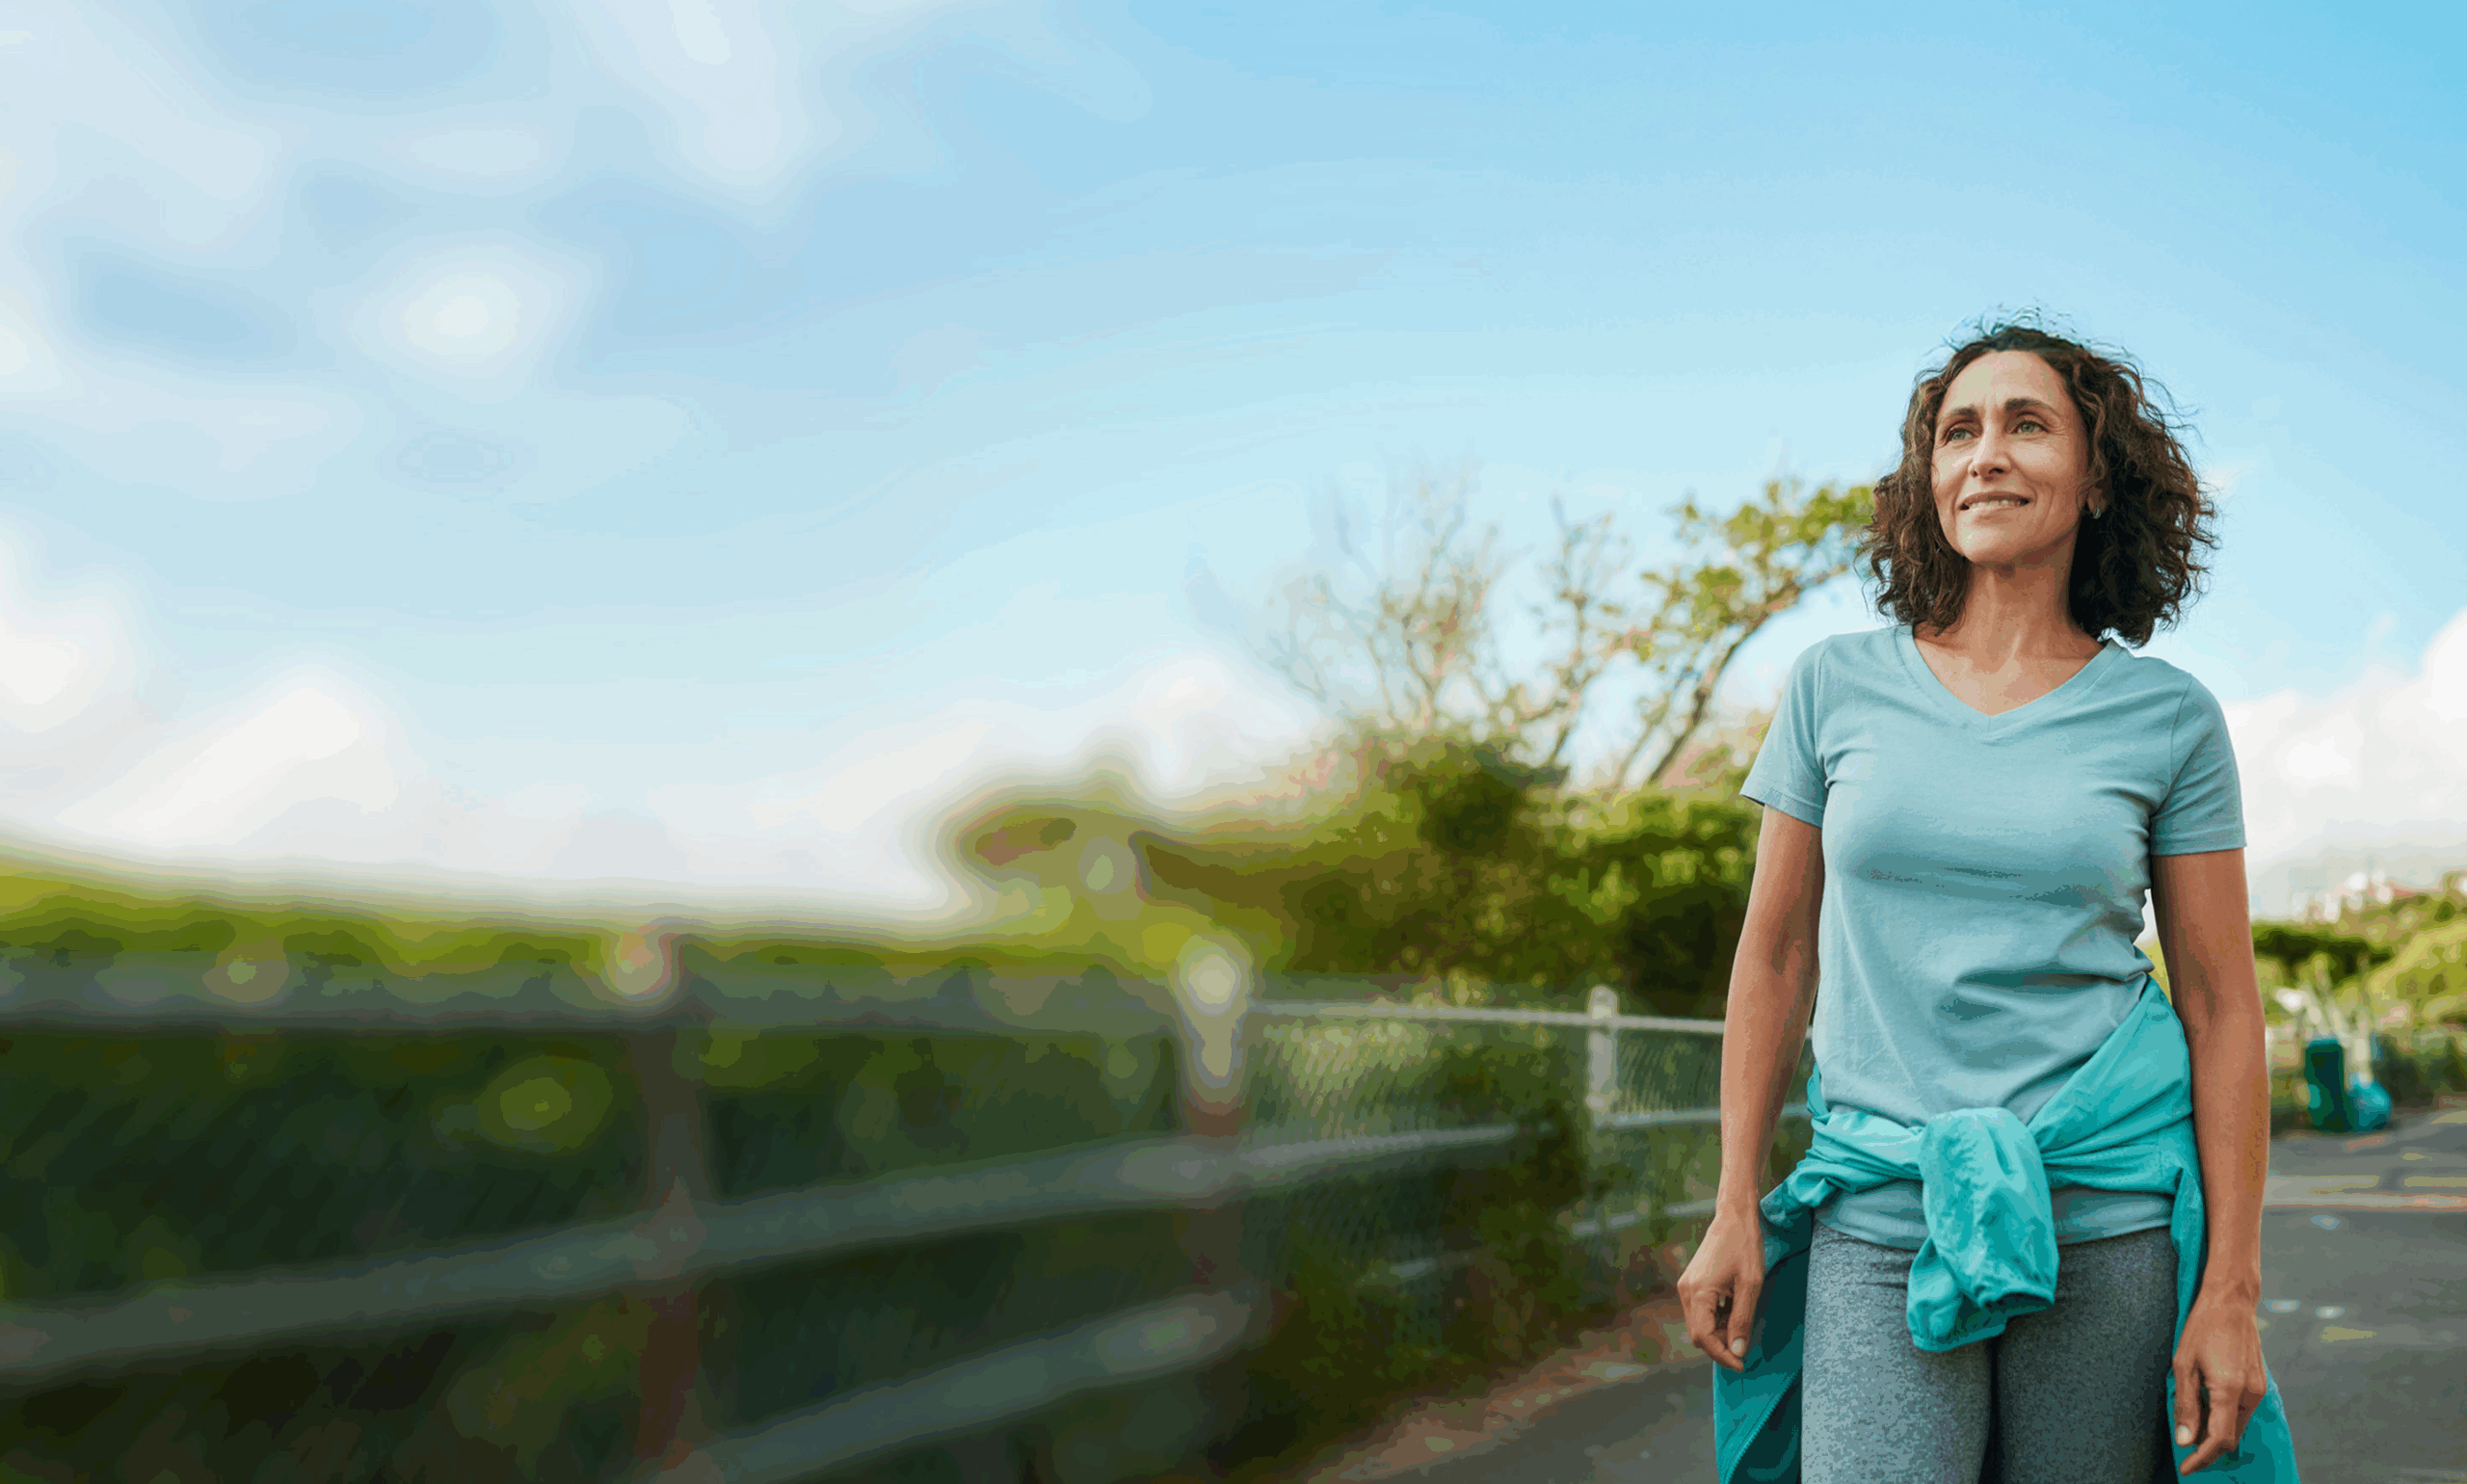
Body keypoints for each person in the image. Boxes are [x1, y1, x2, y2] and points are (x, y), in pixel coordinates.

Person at [1676, 320, 2286, 1481]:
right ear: (1930, 477)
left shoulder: (2168, 717)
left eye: (2027, 425)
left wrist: (2231, 1288)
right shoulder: (1831, 687)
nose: (1986, 453)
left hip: (2105, 1215)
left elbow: (2220, 1004)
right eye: (1958, 431)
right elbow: (1775, 959)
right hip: (1878, 1207)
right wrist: (1733, 1202)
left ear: (2095, 477)